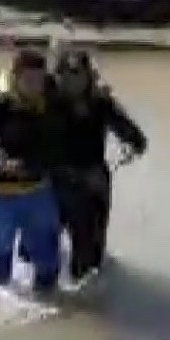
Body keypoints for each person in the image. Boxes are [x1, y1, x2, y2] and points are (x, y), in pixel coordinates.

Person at [42, 49, 148, 284]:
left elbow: (135, 136)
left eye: (78, 75)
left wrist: (132, 145)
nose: (73, 81)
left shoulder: (100, 102)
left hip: (92, 183)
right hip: (53, 181)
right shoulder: (43, 101)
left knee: (90, 265)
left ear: (89, 76)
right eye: (66, 75)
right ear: (56, 76)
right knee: (36, 253)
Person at [0, 49, 63, 292]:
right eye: (29, 80)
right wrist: (4, 163)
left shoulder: (51, 100)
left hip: (39, 191)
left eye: (39, 79)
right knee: (0, 274)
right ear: (15, 77)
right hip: (1, 193)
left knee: (48, 269)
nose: (36, 86)